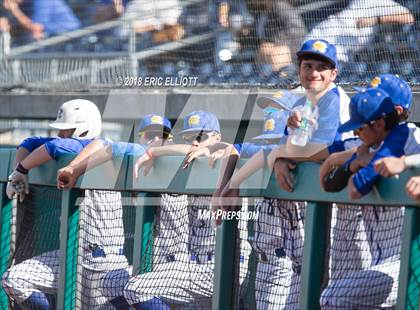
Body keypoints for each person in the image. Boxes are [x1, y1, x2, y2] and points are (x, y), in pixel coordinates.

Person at [218, 38, 349, 308]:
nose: (313, 72)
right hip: (308, 240)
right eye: (307, 65)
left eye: (321, 67)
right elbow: (284, 150)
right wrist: (279, 155)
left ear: (334, 73)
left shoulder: (334, 99)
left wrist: (279, 156)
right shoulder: (306, 104)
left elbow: (326, 149)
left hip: (341, 222)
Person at [122, 110, 246, 309]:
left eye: (202, 137)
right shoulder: (191, 162)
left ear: (217, 136)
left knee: (136, 289)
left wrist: (208, 150)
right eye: (190, 138)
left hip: (224, 266)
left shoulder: (226, 157)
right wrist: (152, 152)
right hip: (194, 266)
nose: (195, 143)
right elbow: (179, 150)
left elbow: (229, 150)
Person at [1, 99, 112, 309]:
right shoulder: (73, 145)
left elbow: (55, 145)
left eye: (66, 130)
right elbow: (30, 142)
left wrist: (21, 170)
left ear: (83, 129)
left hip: (102, 260)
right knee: (14, 279)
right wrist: (19, 169)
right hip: (72, 253)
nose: (61, 134)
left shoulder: (90, 146)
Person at [57, 113, 175, 310]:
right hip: (152, 265)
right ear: (140, 138)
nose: (155, 140)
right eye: (149, 135)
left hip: (183, 264)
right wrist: (73, 169)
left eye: (162, 136)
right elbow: (102, 144)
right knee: (115, 286)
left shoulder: (181, 159)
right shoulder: (138, 153)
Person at [319, 85, 420, 308]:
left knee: (332, 297)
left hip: (405, 262)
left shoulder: (406, 136)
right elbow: (330, 184)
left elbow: (355, 189)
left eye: (360, 128)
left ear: (380, 122)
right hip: (381, 263)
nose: (356, 133)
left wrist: (362, 161)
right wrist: (350, 160)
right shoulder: (368, 145)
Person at [306, 0, 414, 63]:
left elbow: (408, 17)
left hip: (339, 49)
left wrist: (375, 20)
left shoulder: (383, 2)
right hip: (323, 32)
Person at [3, 0, 81, 42]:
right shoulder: (24, 4)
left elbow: (36, 28)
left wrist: (14, 10)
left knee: (35, 37)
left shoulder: (42, 1)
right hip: (52, 39)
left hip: (71, 38)